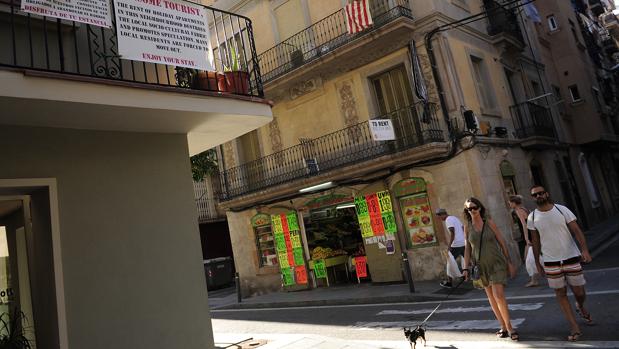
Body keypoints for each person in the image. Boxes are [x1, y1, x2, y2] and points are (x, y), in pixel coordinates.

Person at [527, 185, 592, 342]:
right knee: (560, 294)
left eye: (541, 193)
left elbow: (576, 230)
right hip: (551, 261)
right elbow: (535, 242)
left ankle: (580, 305)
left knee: (579, 292)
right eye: (535, 195)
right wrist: (537, 262)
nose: (538, 196)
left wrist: (585, 250)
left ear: (547, 194)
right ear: (533, 198)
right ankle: (574, 327)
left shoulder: (561, 210)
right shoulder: (532, 216)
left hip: (571, 257)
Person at [462, 197, 519, 341]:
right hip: (480, 266)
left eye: (474, 207)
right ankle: (503, 326)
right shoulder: (467, 227)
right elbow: (467, 249)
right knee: (491, 298)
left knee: (499, 295)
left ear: (480, 208)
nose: (472, 211)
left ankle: (510, 327)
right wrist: (465, 268)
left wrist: (509, 262)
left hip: (496, 263)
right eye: (468, 209)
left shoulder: (489, 223)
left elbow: (502, 242)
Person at [508, 195, 538, 287]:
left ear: (514, 203)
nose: (509, 204)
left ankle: (534, 280)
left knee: (528, 259)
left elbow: (524, 225)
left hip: (528, 236)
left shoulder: (518, 211)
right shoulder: (524, 209)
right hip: (531, 234)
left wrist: (526, 238)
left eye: (510, 202)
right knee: (530, 257)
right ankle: (534, 279)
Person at [436, 208, 466, 288]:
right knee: (467, 260)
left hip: (456, 244)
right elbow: (463, 228)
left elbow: (452, 232)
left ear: (442, 215)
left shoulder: (448, 220)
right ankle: (467, 276)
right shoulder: (455, 218)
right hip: (463, 243)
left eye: (439, 217)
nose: (439, 219)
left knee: (449, 261)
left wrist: (449, 246)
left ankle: (449, 282)